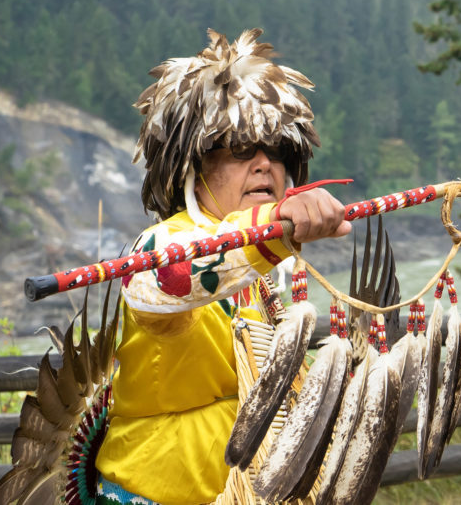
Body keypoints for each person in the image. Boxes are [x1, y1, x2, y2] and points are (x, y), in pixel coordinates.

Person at [94, 29, 350, 505]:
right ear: (194, 165)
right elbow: (164, 283)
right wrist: (273, 231)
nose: (263, 164)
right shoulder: (161, 243)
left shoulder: (260, 277)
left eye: (276, 151)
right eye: (239, 149)